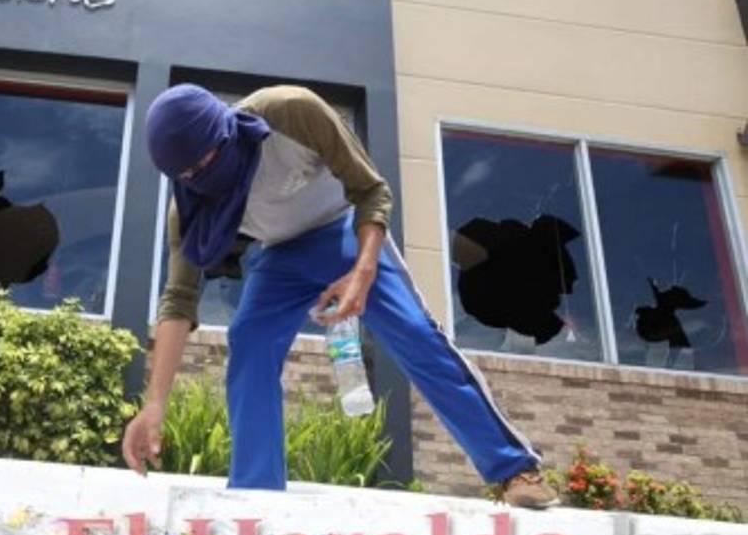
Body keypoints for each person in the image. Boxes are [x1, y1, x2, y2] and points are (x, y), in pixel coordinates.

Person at [121, 84, 558, 509]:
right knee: (249, 341)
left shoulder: (290, 111)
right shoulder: (191, 207)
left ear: (224, 134)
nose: (199, 181)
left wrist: (362, 272)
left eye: (203, 165)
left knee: (414, 333)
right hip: (279, 257)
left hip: (346, 231)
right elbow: (178, 302)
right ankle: (256, 496)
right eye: (186, 177)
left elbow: (371, 191)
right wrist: (154, 404)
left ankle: (513, 469)